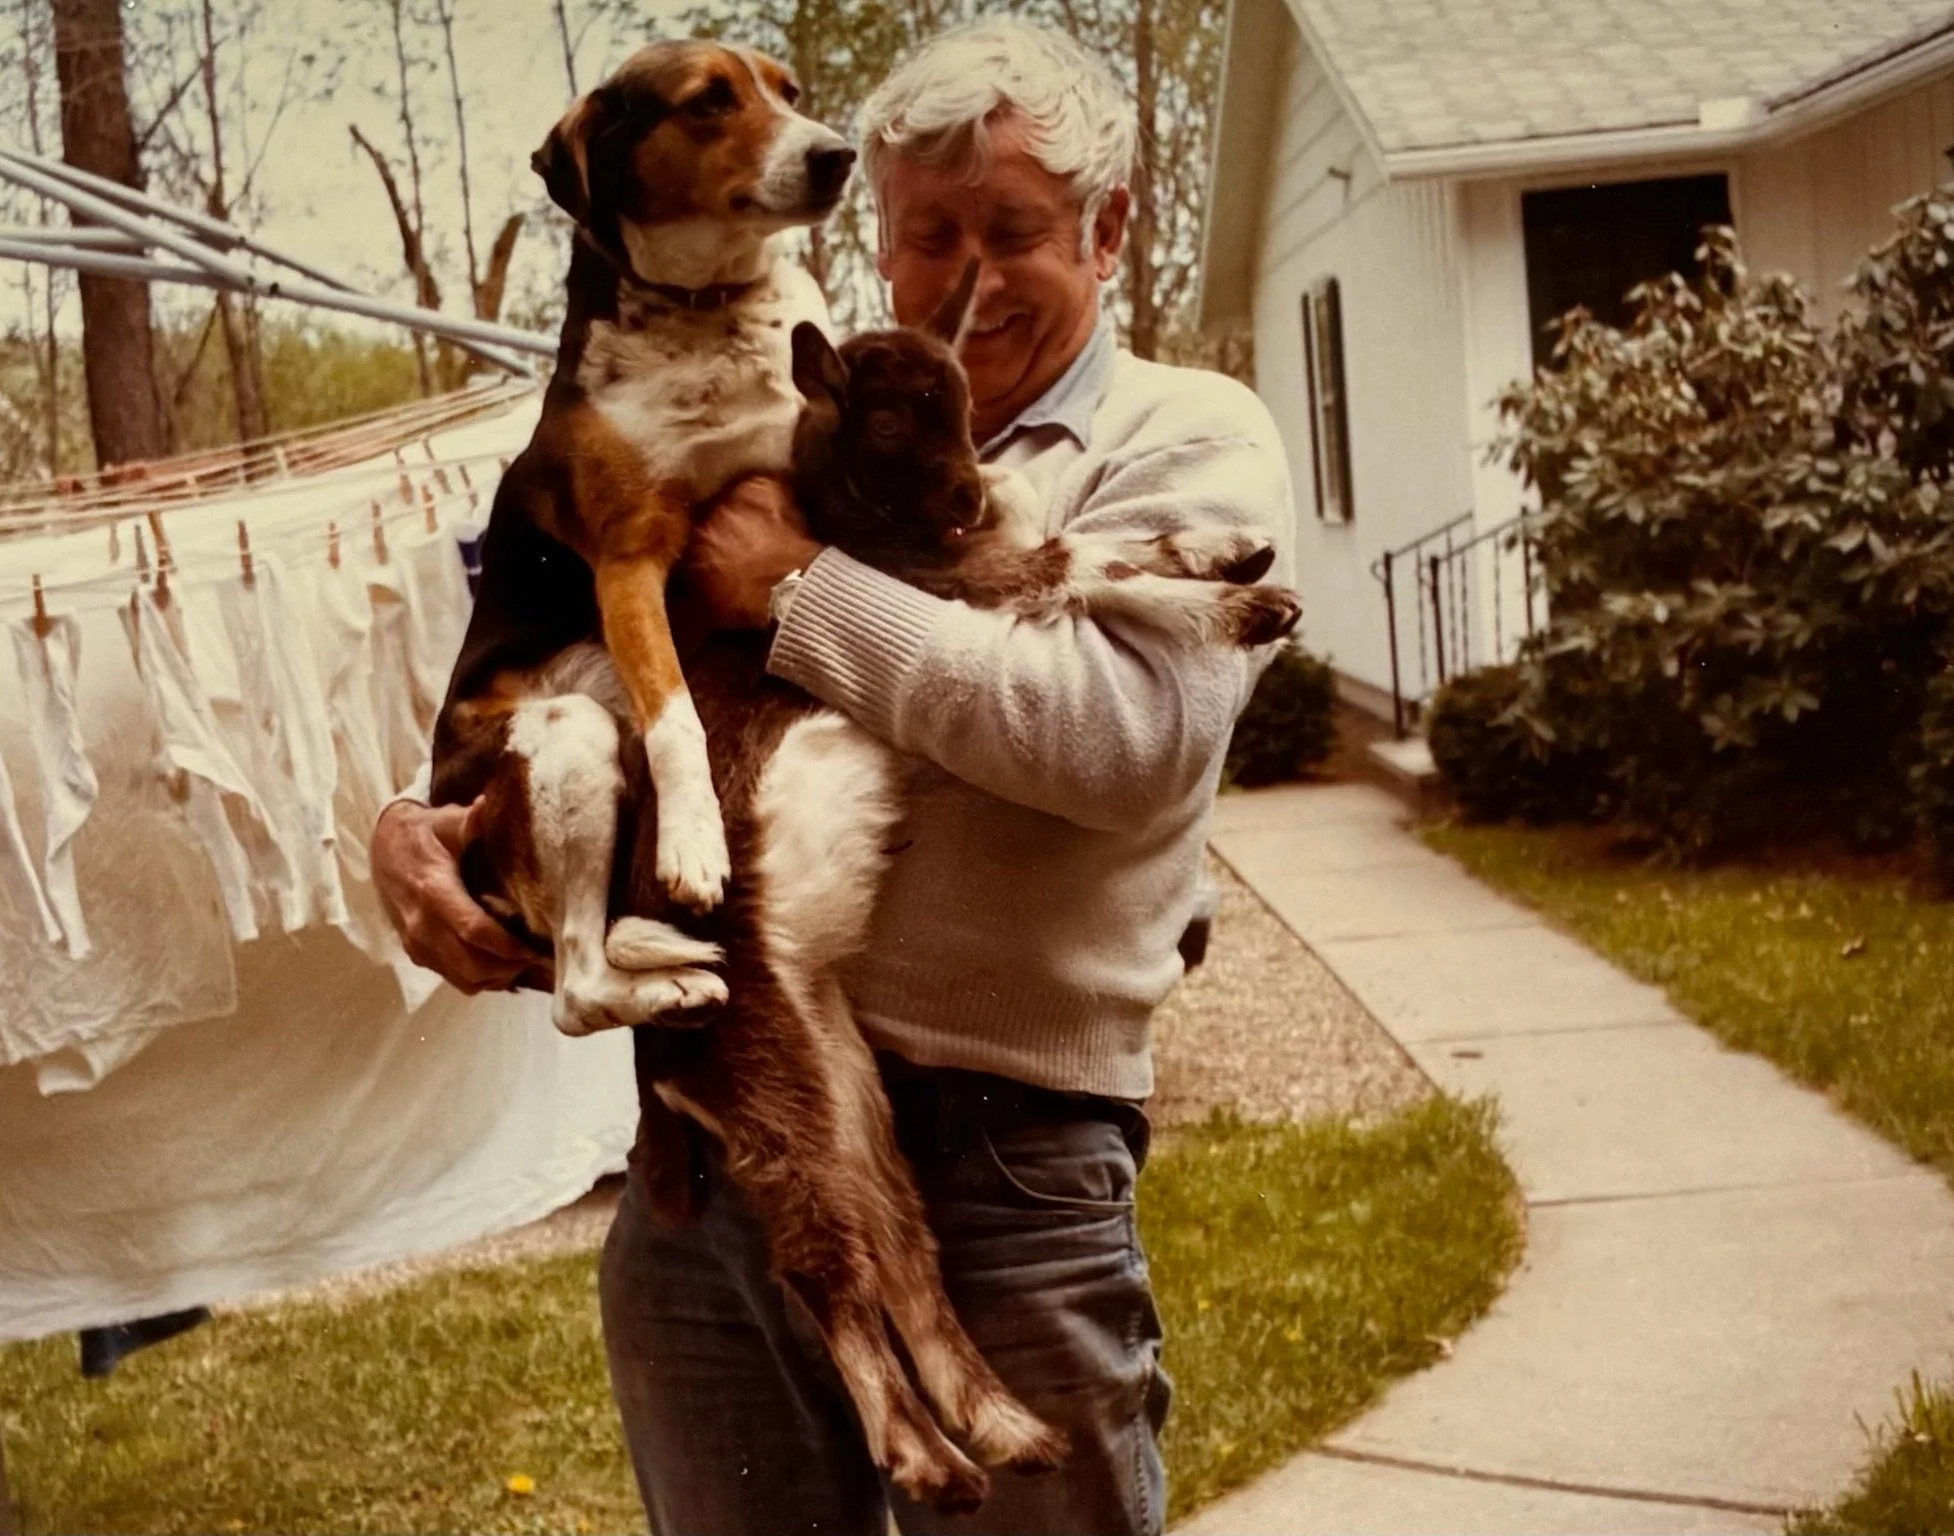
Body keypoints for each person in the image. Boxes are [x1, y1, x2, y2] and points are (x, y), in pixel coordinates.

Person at [370, 19, 1293, 1535]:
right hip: (719, 1142)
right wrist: (421, 828)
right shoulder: (801, 417)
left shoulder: (1180, 435)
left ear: (1110, 230)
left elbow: (1123, 749)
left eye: (1015, 230)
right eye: (929, 233)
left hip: (1008, 1169)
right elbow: (565, 640)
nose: (967, 274)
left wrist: (800, 595)